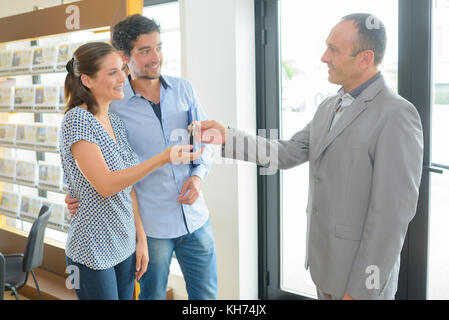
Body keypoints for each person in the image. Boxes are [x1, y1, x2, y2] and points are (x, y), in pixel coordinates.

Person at [195, 13, 424, 300]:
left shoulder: (397, 114)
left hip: (360, 281)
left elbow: (391, 218)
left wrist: (361, 291)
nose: (323, 57)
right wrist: (227, 136)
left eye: (334, 50)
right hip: (326, 269)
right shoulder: (329, 107)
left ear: (365, 58)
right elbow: (287, 152)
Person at [65, 15, 218, 300]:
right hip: (150, 225)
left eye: (158, 47)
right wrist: (74, 191)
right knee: (151, 296)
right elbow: (82, 158)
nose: (156, 57)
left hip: (196, 219)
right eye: (145, 50)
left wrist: (198, 176)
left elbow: (206, 139)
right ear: (124, 56)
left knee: (207, 297)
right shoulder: (113, 106)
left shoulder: (184, 89)